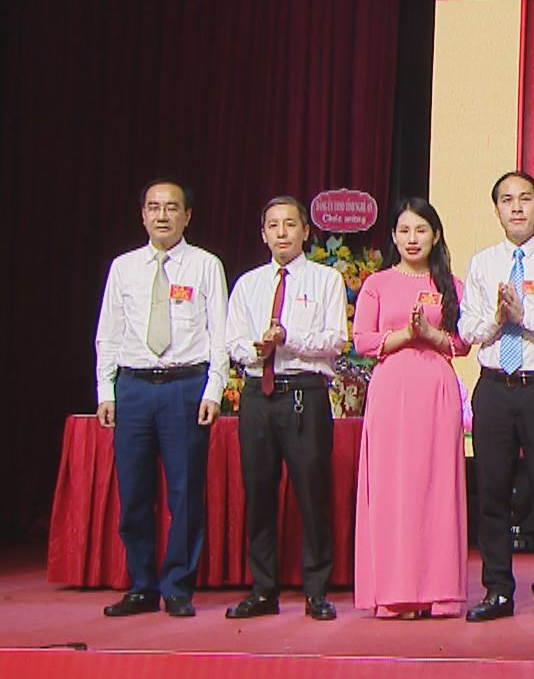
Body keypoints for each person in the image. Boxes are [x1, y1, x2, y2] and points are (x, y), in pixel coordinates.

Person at [96, 179, 228, 618]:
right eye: (154, 207)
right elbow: (108, 333)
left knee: (185, 493)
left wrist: (214, 389)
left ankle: (177, 587)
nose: (162, 215)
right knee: (134, 492)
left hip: (184, 387)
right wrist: (106, 390)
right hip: (133, 387)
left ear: (187, 215)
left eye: (171, 207)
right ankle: (141, 586)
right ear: (143, 215)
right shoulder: (123, 268)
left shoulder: (206, 265)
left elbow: (219, 334)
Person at [458, 172, 534, 625]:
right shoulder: (483, 264)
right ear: (496, 209)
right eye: (507, 200)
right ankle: (497, 590)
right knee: (491, 492)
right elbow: (467, 330)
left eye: (525, 199)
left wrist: (524, 315)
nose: (516, 207)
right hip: (494, 387)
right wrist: (498, 318)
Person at [224, 196, 347, 622]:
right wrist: (257, 349)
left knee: (312, 493)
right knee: (258, 492)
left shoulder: (327, 280)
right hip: (257, 393)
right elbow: (233, 341)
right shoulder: (248, 284)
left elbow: (335, 340)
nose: (282, 233)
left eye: (290, 224)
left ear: (305, 231)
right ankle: (263, 590)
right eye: (273, 225)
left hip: (303, 393)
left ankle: (317, 590)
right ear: (263, 234)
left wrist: (288, 338)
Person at [351, 198, 470, 619]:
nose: (412, 238)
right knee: (393, 487)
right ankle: (394, 592)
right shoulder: (377, 283)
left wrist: (431, 335)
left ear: (435, 235)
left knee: (436, 487)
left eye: (421, 230)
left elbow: (463, 343)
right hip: (391, 390)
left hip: (436, 390)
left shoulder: (451, 284)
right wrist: (405, 334)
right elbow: (362, 340)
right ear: (394, 236)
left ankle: (438, 591)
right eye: (404, 230)